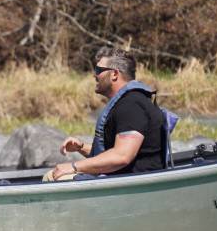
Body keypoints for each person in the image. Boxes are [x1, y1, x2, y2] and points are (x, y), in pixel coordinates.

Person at [45, 47, 167, 181]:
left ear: (114, 74)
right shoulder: (128, 102)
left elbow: (122, 156)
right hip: (123, 181)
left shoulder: (131, 105)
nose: (94, 75)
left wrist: (74, 166)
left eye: (98, 71)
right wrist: (81, 147)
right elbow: (112, 151)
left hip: (133, 186)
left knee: (53, 177)